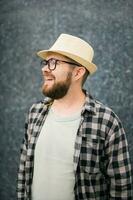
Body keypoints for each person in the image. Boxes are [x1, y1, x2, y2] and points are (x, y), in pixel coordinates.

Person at [17, 33, 132, 200]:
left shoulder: (107, 122)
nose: (44, 68)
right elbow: (24, 172)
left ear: (78, 72)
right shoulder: (35, 113)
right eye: (45, 62)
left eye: (54, 62)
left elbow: (122, 190)